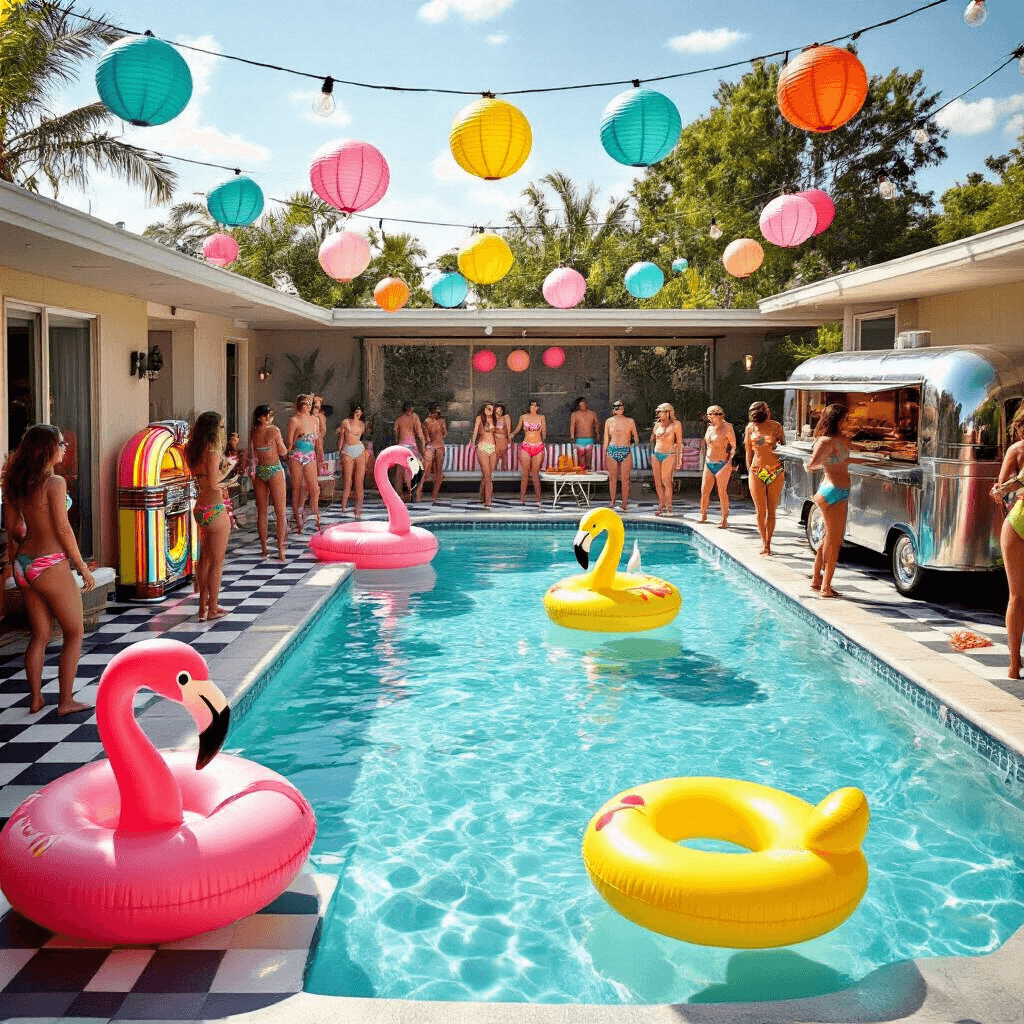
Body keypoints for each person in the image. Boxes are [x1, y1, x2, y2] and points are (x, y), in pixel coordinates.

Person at [1, 424, 94, 715]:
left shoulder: (15, 484)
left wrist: (14, 563)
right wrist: (81, 566)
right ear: (47, 449)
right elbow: (63, 528)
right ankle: (65, 701)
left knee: (40, 635)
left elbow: (12, 529)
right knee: (74, 632)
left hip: (24, 564)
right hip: (49, 563)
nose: (65, 448)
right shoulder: (54, 483)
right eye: (61, 444)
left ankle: (36, 699)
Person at [184, 412, 235, 620]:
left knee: (204, 559)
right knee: (217, 563)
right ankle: (212, 607)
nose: (223, 431)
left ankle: (202, 608)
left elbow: (205, 480)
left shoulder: (192, 450)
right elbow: (214, 484)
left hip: (200, 508)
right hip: (215, 508)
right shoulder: (212, 450)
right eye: (221, 427)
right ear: (213, 429)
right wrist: (228, 472)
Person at [807, 403, 856, 599]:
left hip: (839, 490)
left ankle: (816, 580)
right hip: (831, 492)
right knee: (835, 542)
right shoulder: (825, 441)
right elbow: (812, 465)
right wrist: (831, 460)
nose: (848, 421)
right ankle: (826, 587)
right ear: (838, 419)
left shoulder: (841, 438)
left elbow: (847, 457)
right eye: (846, 418)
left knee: (829, 537)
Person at [991, 404, 1024, 678]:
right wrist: (1000, 491)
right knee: (1017, 596)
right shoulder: (1017, 450)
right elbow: (999, 489)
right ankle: (1014, 664)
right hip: (1017, 521)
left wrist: (1004, 490)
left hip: (1017, 520)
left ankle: (1014, 665)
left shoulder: (1017, 449)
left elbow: (1002, 489)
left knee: (1017, 597)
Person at [744, 401, 786, 551]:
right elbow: (748, 451)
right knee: (760, 511)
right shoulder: (750, 428)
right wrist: (749, 469)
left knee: (772, 509)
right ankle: (764, 542)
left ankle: (769, 542)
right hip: (757, 470)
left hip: (775, 470)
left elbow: (784, 447)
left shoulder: (776, 426)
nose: (767, 411)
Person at [248, 405, 288, 561]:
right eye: (267, 415)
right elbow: (283, 451)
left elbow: (252, 452)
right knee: (280, 511)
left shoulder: (253, 432)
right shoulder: (274, 430)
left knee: (262, 511)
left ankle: (264, 547)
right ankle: (280, 548)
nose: (270, 417)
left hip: (260, 471)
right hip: (274, 469)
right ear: (260, 417)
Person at [285, 395, 321, 533]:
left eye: (310, 404)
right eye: (306, 403)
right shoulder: (294, 420)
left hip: (310, 454)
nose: (309, 406)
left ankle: (314, 514)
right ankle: (297, 518)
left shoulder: (315, 420)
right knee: (297, 487)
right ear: (300, 404)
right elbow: (289, 442)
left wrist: (320, 457)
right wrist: (287, 456)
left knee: (314, 487)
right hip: (297, 455)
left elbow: (318, 441)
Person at [700, 405, 738, 529]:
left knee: (722, 492)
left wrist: (730, 461)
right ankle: (703, 514)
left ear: (718, 415)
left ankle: (724, 519)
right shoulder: (710, 428)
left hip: (723, 463)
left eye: (710, 415)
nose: (708, 417)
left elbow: (733, 446)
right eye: (708, 415)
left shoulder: (727, 427)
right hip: (709, 462)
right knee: (704, 491)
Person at [603, 399, 639, 512]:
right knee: (612, 478)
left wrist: (632, 441)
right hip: (612, 449)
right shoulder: (609, 421)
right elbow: (606, 439)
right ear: (613, 409)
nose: (619, 409)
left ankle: (624, 502)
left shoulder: (630, 421)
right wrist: (605, 453)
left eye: (620, 406)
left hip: (625, 450)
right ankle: (612, 500)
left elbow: (636, 437)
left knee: (625, 479)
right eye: (616, 407)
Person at [650, 402, 683, 516]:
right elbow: (654, 440)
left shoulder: (676, 424)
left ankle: (668, 507)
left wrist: (679, 459)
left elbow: (679, 443)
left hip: (669, 454)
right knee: (657, 482)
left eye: (662, 411)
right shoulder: (657, 425)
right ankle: (661, 504)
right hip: (656, 454)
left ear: (669, 412)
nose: (659, 414)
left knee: (666, 481)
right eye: (658, 412)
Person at [513, 400, 547, 505]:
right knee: (525, 473)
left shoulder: (541, 417)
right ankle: (522, 498)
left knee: (535, 473)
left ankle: (538, 499)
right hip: (526, 446)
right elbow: (517, 429)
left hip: (538, 446)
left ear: (538, 408)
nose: (534, 407)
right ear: (529, 407)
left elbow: (544, 432)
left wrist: (543, 442)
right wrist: (511, 434)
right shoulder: (523, 417)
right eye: (532, 405)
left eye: (536, 406)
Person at [337, 402, 368, 517]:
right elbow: (341, 439)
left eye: (360, 411)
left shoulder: (362, 424)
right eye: (356, 411)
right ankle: (343, 506)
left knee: (359, 481)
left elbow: (361, 437)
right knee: (347, 480)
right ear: (353, 411)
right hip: (348, 450)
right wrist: (340, 451)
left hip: (359, 449)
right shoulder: (345, 422)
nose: (358, 413)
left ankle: (358, 507)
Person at [393, 401, 426, 501]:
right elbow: (419, 434)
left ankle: (399, 494)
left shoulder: (399, 419)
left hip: (401, 445)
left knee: (400, 471)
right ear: (412, 409)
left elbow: (396, 434)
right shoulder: (414, 418)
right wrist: (423, 446)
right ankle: (411, 492)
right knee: (411, 470)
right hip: (411, 446)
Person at [418, 404, 448, 503]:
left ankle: (433, 496)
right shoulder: (427, 421)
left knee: (438, 472)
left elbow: (444, 433)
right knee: (426, 471)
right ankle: (419, 493)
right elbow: (426, 436)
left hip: (437, 446)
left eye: (436, 413)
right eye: (434, 413)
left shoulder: (438, 421)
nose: (435, 415)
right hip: (432, 446)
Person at [471, 402, 498, 509]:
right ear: (484, 409)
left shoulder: (495, 419)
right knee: (487, 476)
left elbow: (499, 433)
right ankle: (488, 501)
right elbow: (475, 433)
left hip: (493, 447)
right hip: (482, 447)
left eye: (492, 409)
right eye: (488, 408)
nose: (490, 411)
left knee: (488, 475)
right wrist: (473, 444)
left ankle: (484, 496)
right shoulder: (479, 419)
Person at [570, 397, 601, 470]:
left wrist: (598, 434)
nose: (583, 406)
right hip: (579, 439)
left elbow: (597, 425)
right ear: (578, 406)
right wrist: (572, 436)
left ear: (586, 405)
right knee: (580, 457)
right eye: (581, 405)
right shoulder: (575, 414)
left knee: (589, 457)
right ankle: (581, 470)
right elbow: (572, 426)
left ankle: (588, 469)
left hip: (589, 439)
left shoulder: (592, 414)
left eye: (584, 404)